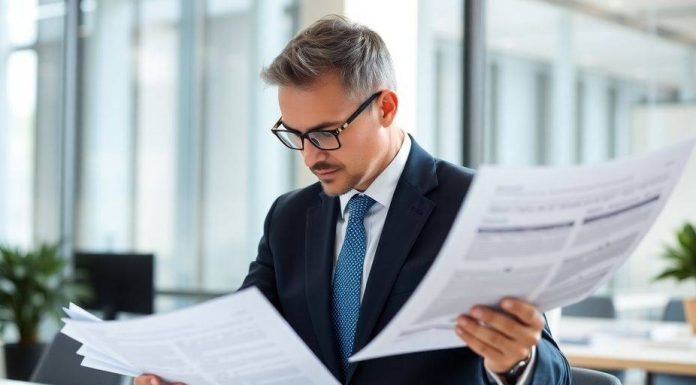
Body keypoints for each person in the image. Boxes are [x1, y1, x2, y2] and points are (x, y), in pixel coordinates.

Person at [136, 15, 570, 385]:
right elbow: (244, 332)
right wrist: (188, 371)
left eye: (326, 133)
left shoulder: (476, 206)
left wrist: (516, 362)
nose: (310, 155)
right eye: (295, 135)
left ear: (385, 108)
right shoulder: (289, 217)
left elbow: (554, 371)